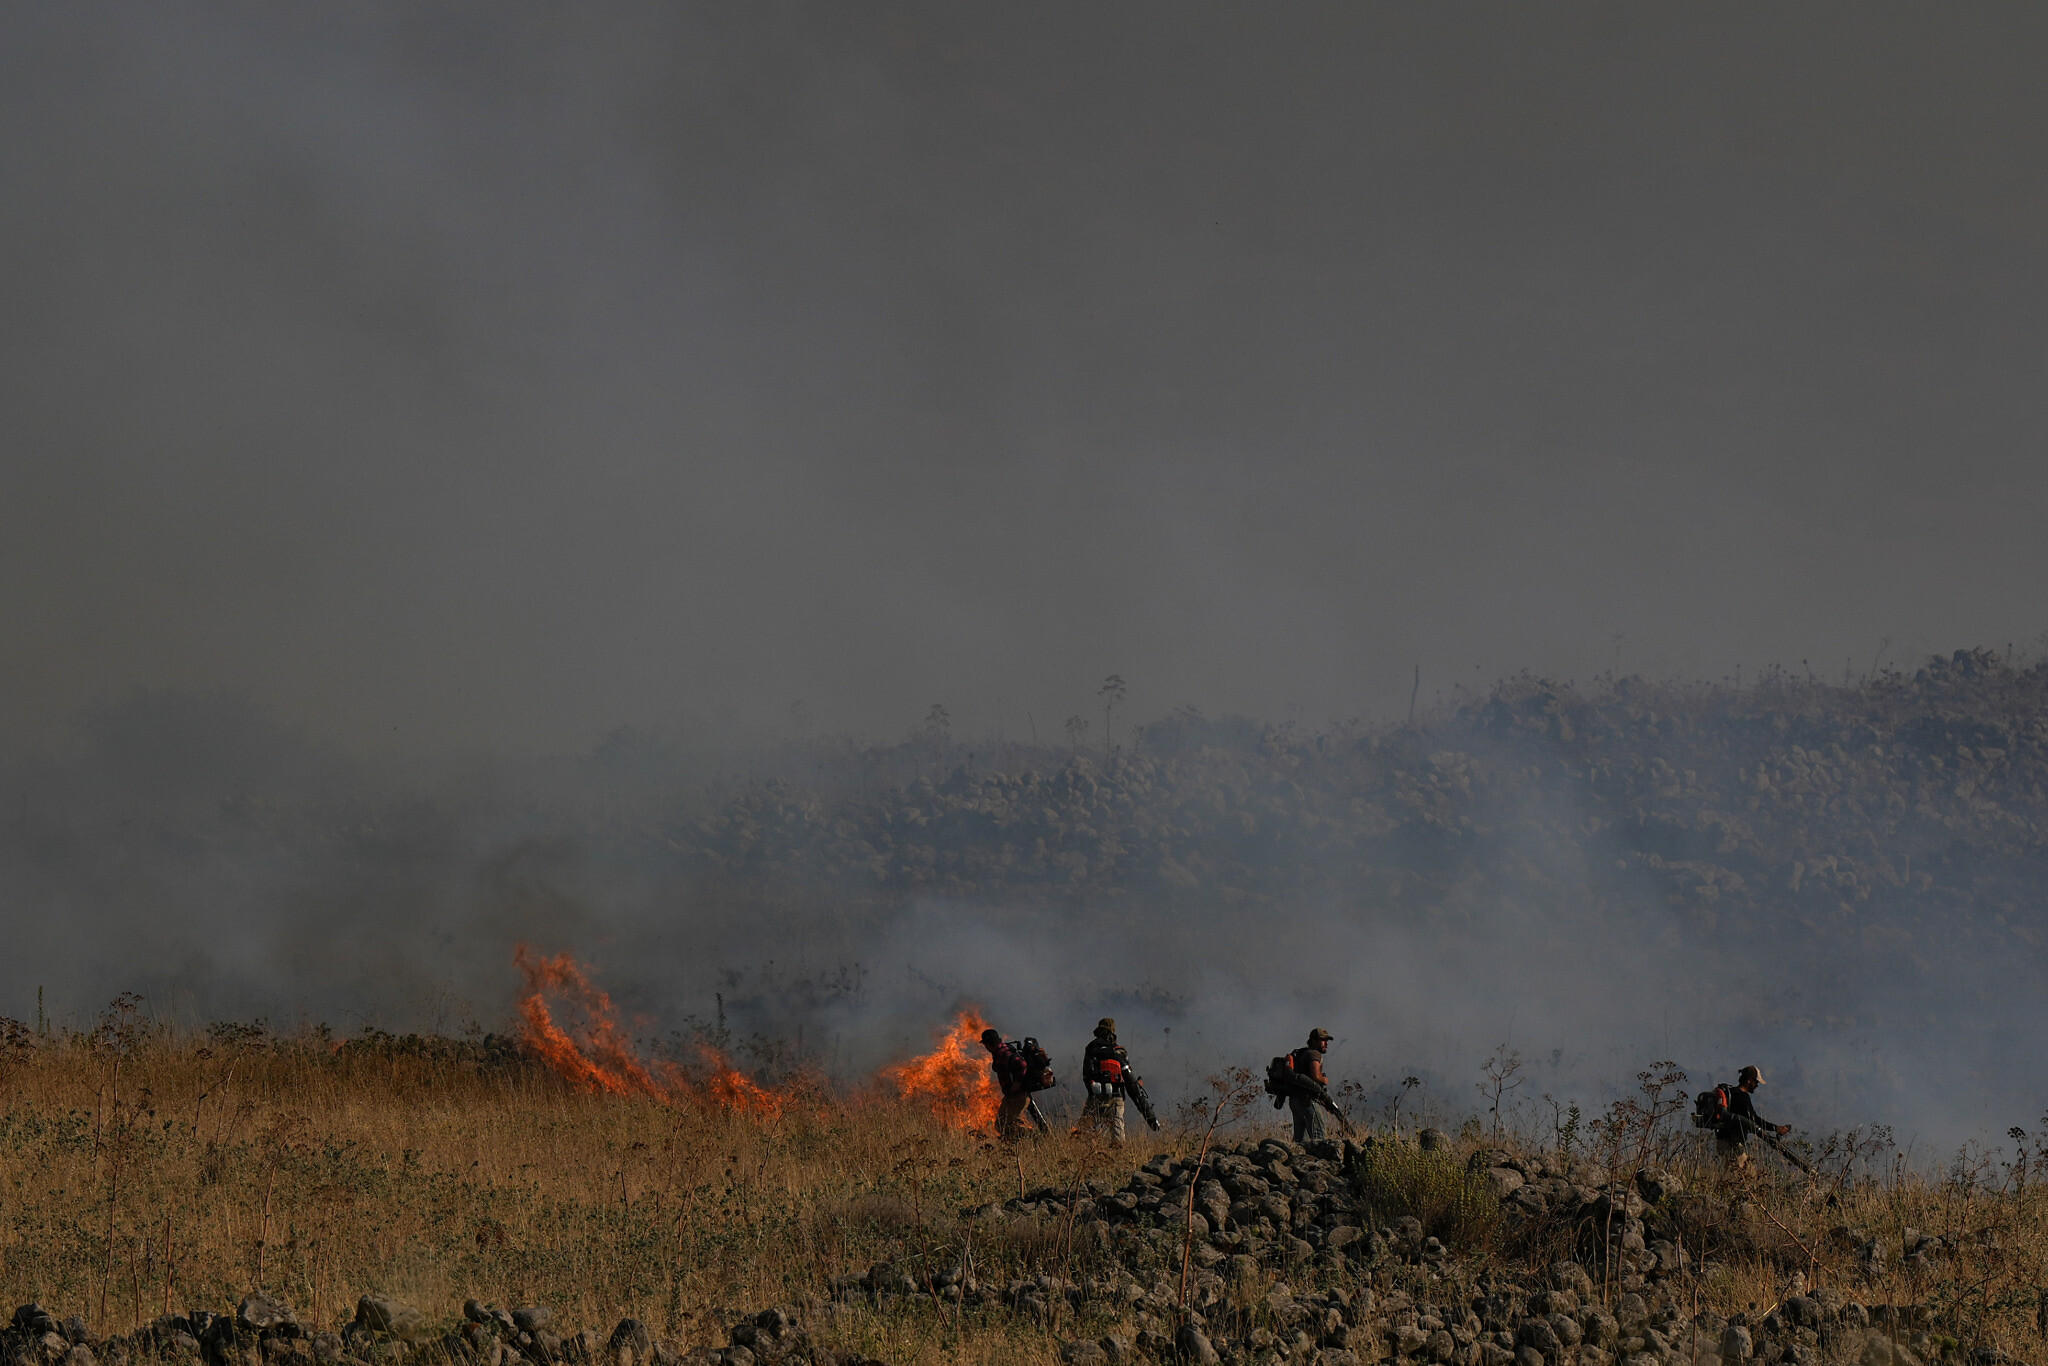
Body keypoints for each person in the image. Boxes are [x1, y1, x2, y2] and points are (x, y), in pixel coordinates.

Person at [1079, 1017, 1144, 1144]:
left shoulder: (1091, 1048)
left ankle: (1089, 1153)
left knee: (1085, 1130)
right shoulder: (1120, 1050)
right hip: (1117, 1096)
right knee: (1117, 1129)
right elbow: (1128, 1076)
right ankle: (1118, 1157)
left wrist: (1092, 1092)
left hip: (1096, 1095)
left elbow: (1086, 1074)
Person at [1716, 1063, 1789, 1168]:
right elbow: (1754, 1120)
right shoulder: (1742, 1097)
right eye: (1756, 1082)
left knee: (1732, 1174)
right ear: (1749, 1080)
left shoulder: (1731, 1093)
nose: (1757, 1085)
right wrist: (1775, 1128)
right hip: (1733, 1144)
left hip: (1722, 1142)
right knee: (1746, 1176)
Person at [981, 1027, 1047, 1140]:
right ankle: (1014, 1145)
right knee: (1002, 1125)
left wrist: (1017, 1084)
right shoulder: (1001, 1050)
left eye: (985, 1044)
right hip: (1012, 1095)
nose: (985, 1047)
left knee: (1002, 1125)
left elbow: (1021, 1064)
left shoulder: (1003, 1053)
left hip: (1018, 1095)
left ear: (988, 1044)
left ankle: (1033, 1138)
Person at [1287, 1028, 1342, 1142]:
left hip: (1295, 1100)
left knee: (1301, 1140)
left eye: (1327, 1041)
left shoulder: (1302, 1053)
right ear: (1314, 1041)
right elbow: (1315, 1076)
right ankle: (1318, 1159)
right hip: (1308, 1100)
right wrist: (1324, 1080)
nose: (1326, 1044)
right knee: (1318, 1136)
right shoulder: (1314, 1054)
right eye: (1323, 1040)